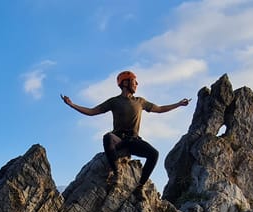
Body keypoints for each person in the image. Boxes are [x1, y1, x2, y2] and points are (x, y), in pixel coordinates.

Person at [61, 70, 190, 196]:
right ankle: (117, 173)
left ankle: (140, 187)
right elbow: (92, 111)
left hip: (133, 141)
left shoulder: (140, 101)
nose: (137, 84)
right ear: (125, 83)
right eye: (134, 81)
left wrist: (178, 104)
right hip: (119, 140)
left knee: (154, 154)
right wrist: (72, 105)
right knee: (107, 137)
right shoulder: (114, 101)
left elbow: (160, 109)